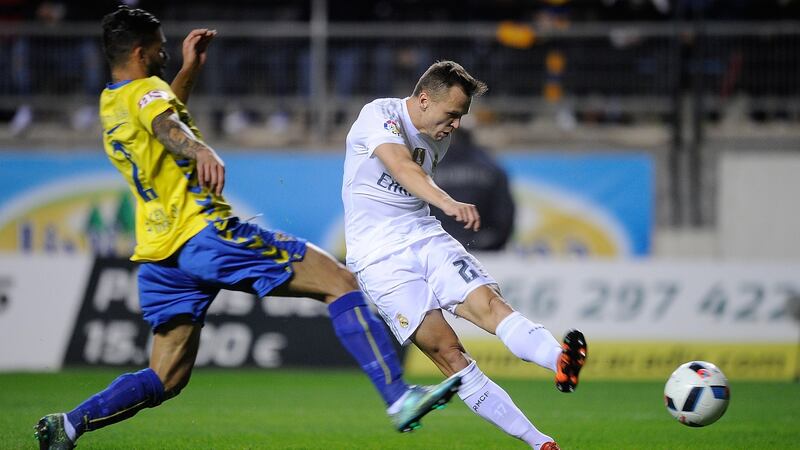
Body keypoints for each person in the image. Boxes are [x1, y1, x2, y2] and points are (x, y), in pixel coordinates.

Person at [33, 7, 460, 449]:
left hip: (162, 254)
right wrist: (199, 150)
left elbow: (161, 112)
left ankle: (68, 425)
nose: (165, 52)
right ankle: (398, 398)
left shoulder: (113, 100)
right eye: (160, 47)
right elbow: (165, 123)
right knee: (339, 281)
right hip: (206, 234)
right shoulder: (148, 96)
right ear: (141, 52)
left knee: (166, 377)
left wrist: (190, 69)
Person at [341, 60, 587, 449]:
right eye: (452, 114)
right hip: (379, 258)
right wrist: (446, 201)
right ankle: (539, 442)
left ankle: (560, 360)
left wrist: (438, 205)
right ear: (423, 99)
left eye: (461, 117)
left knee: (490, 304)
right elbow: (402, 166)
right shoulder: (379, 114)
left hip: (425, 237)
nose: (456, 124)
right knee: (450, 354)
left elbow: (414, 175)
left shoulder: (439, 135)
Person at [430, 126, 515, 250]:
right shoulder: (491, 165)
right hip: (483, 249)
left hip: (436, 247)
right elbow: (505, 215)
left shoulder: (430, 165)